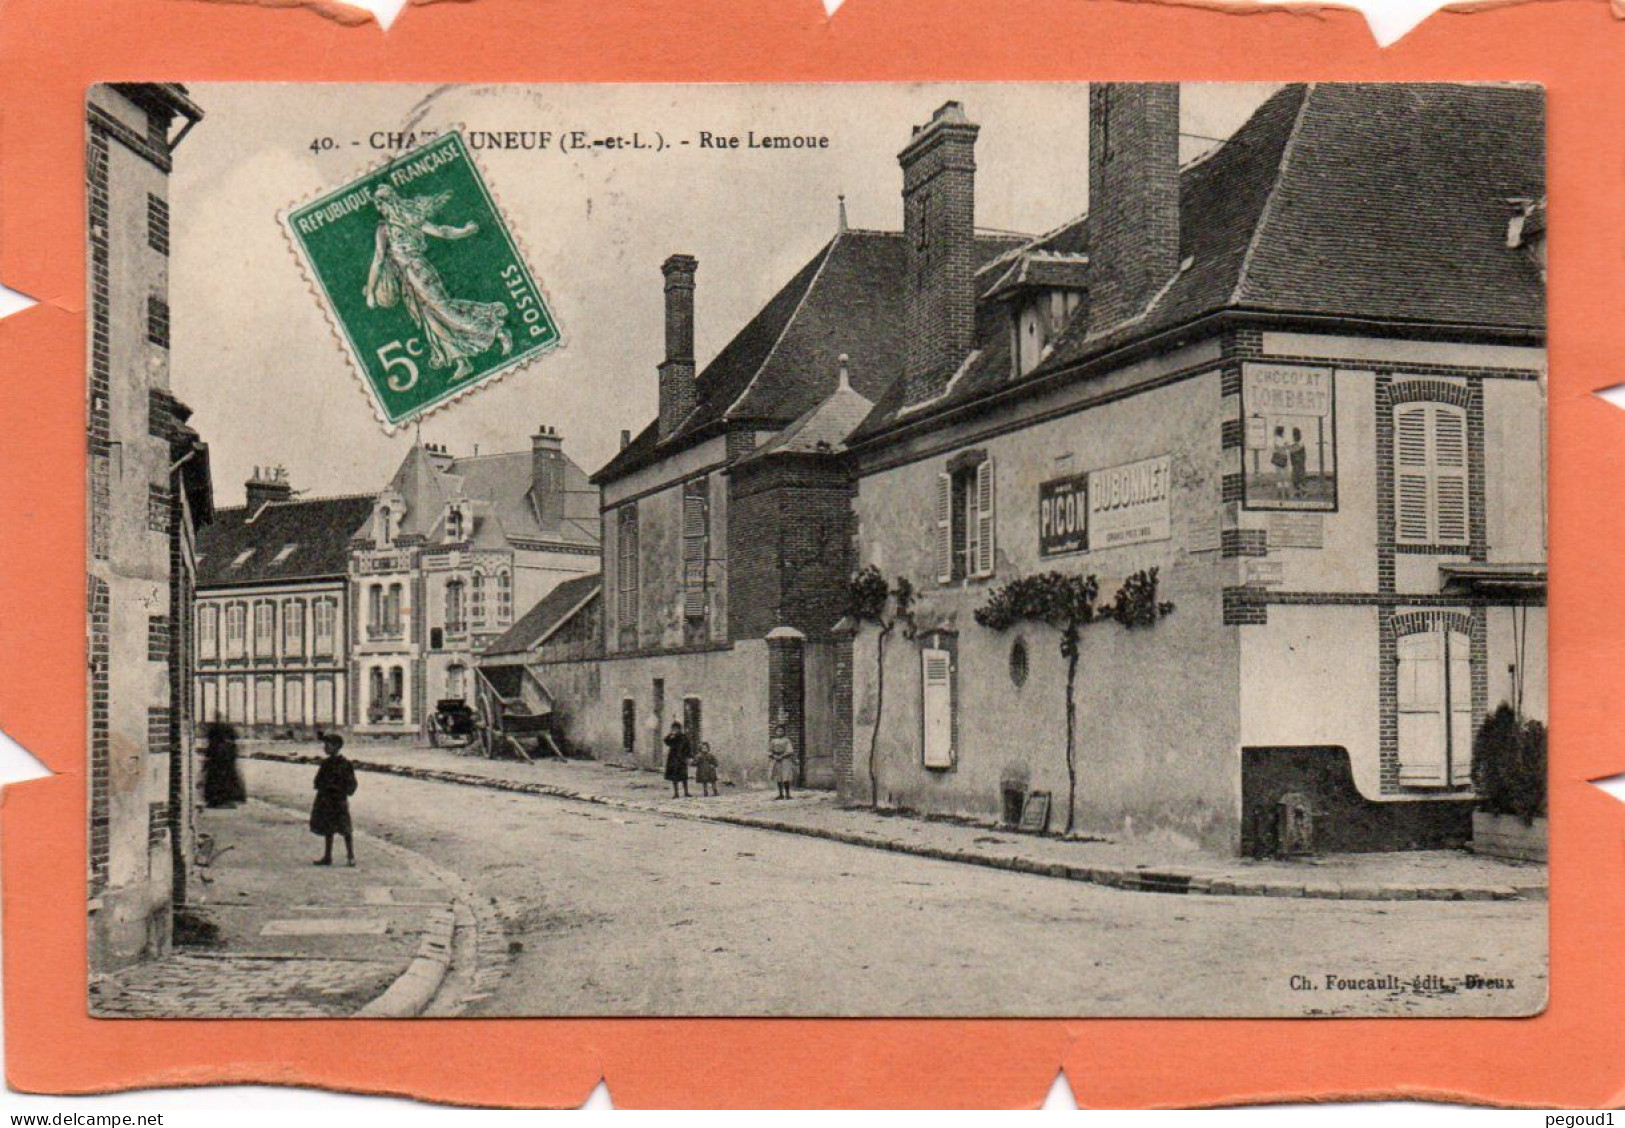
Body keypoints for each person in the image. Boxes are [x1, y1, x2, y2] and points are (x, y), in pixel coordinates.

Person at [364, 184, 513, 381]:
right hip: (408, 281)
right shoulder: (384, 229)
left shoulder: (411, 219)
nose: (381, 208)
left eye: (382, 204)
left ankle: (497, 330)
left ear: (390, 202)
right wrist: (371, 292)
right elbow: (378, 259)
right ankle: (461, 361)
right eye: (379, 205)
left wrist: (466, 231)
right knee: (431, 320)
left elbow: (443, 232)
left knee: (446, 310)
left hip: (420, 273)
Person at [309, 732, 358, 867]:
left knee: (345, 828)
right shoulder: (326, 763)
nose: (325, 747)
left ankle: (350, 856)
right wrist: (322, 787)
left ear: (337, 746)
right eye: (325, 744)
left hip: (339, 800)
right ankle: (328, 856)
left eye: (328, 745)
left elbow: (352, 783)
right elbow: (317, 780)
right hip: (327, 800)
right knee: (328, 828)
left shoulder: (345, 764)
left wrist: (341, 790)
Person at [200, 720, 246, 808]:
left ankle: (218, 800)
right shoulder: (229, 744)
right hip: (224, 768)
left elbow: (209, 754)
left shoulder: (217, 744)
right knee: (226, 781)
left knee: (219, 782)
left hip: (218, 768)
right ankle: (223, 800)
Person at [663, 721, 692, 799]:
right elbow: (666, 741)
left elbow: (688, 747)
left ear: (680, 729)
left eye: (676, 728)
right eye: (673, 728)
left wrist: (688, 757)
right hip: (673, 759)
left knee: (684, 776)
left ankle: (686, 792)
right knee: (674, 777)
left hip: (682, 759)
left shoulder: (684, 737)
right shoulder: (672, 737)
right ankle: (676, 793)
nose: (675, 730)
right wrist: (670, 735)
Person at [769, 725, 797, 800]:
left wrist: (782, 756)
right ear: (775, 732)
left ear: (784, 732)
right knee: (779, 777)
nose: (779, 732)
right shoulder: (773, 741)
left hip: (785, 760)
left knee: (786, 777)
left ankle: (787, 794)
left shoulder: (786, 740)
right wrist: (774, 756)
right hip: (777, 760)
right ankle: (780, 794)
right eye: (778, 731)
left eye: (781, 731)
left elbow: (790, 751)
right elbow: (769, 751)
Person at [1269, 425, 1291, 499]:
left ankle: (1279, 493)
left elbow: (1276, 447)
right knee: (1285, 476)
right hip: (1284, 458)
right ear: (1282, 432)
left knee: (1279, 476)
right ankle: (1287, 492)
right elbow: (1287, 446)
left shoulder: (1276, 439)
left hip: (1278, 458)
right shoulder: (1283, 439)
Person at [1288, 426, 1308, 499]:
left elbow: (1294, 449)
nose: (1294, 437)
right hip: (1295, 465)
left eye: (1295, 435)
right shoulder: (1296, 444)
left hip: (1300, 464)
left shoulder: (1300, 443)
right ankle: (1298, 493)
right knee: (1295, 479)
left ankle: (1304, 493)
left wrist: (1288, 447)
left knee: (1301, 479)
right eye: (1294, 435)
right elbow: (1292, 449)